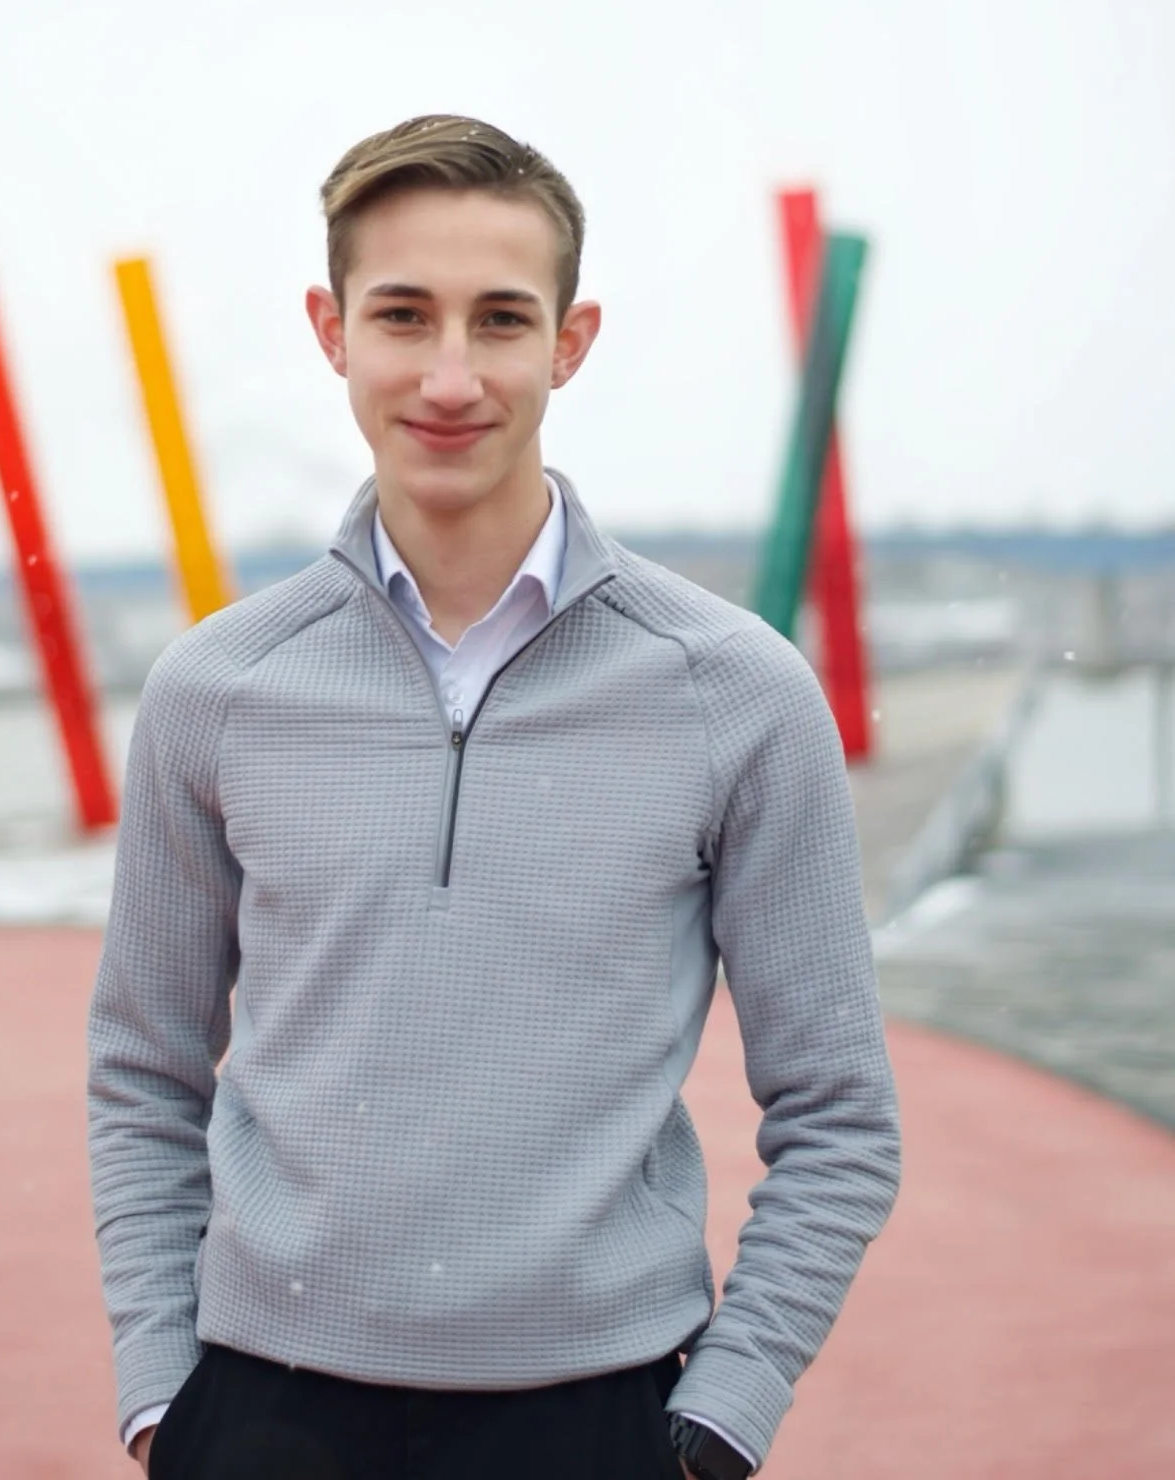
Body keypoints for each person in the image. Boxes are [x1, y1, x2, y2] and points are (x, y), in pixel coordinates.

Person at [87, 115, 900, 1479]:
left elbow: (837, 1111)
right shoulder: (215, 691)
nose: (449, 375)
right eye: (403, 315)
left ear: (569, 343)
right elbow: (142, 1072)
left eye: (500, 320)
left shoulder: (735, 693)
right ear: (330, 328)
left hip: (605, 1420)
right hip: (264, 1418)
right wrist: (166, 1392)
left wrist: (725, 1417)